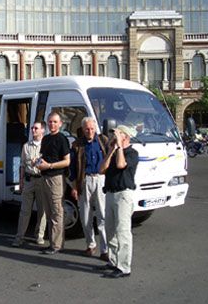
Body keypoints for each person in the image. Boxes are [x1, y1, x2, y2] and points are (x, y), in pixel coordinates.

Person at [98, 125, 138, 279]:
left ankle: (124, 267)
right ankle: (113, 261)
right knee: (110, 230)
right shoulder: (113, 152)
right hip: (110, 193)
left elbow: (122, 165)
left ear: (125, 136)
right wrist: (110, 151)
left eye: (116, 134)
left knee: (122, 231)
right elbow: (102, 169)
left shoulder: (132, 153)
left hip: (123, 195)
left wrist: (120, 147)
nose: (113, 138)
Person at [71, 116, 109, 261]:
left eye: (92, 128)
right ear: (82, 129)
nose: (90, 131)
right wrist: (74, 185)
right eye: (87, 129)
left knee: (102, 216)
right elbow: (72, 168)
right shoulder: (76, 145)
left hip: (100, 179)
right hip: (84, 180)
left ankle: (104, 250)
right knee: (85, 215)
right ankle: (91, 244)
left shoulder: (102, 141)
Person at [36, 112, 71, 255]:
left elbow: (67, 161)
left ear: (60, 124)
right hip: (44, 178)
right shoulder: (45, 139)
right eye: (50, 122)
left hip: (56, 178)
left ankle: (57, 245)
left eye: (55, 122)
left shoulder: (62, 139)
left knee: (57, 212)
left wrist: (49, 166)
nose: (52, 124)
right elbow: (42, 157)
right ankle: (52, 242)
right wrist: (37, 163)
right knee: (49, 212)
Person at [12, 121, 47, 247]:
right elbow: (22, 165)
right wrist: (20, 181)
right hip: (29, 180)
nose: (33, 130)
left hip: (42, 180)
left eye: (36, 128)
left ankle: (39, 235)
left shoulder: (46, 145)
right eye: (32, 128)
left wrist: (37, 162)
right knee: (24, 210)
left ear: (42, 130)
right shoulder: (26, 146)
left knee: (42, 211)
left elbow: (47, 162)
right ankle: (19, 237)